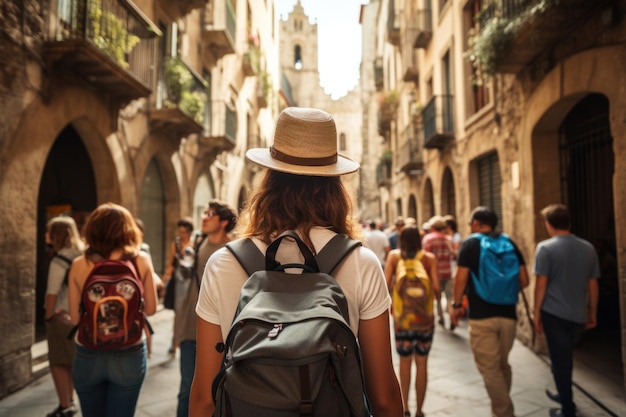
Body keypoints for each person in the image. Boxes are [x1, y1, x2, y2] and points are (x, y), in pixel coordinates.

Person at [189, 107, 403, 417]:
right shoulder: (362, 263)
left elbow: (204, 398)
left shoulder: (223, 264)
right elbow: (383, 398)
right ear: (335, 185)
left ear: (268, 180)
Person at [67, 203, 158, 417]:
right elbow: (152, 309)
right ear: (128, 230)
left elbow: (74, 318)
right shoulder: (140, 261)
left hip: (88, 352)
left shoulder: (79, 264)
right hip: (130, 351)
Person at [450, 206, 529, 417]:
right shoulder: (509, 242)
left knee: (489, 368)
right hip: (509, 316)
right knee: (502, 365)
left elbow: (460, 279)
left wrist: (456, 305)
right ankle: (499, 410)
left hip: (482, 317)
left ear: (476, 223)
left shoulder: (470, 244)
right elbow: (525, 280)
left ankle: (504, 412)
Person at [533, 204, 600, 417]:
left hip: (553, 314)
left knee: (561, 361)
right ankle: (564, 394)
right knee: (563, 358)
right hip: (578, 314)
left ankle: (567, 408)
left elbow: (541, 285)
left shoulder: (545, 248)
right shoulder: (588, 247)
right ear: (568, 223)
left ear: (548, 225)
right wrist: (592, 312)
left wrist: (536, 314)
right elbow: (593, 284)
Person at [175, 200, 236, 417]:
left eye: (210, 213)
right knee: (185, 390)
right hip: (190, 327)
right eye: (203, 213)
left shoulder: (232, 252)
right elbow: (187, 282)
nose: (204, 217)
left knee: (215, 392)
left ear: (224, 221)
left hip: (218, 334)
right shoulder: (198, 243)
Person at [385, 226, 440, 417]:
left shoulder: (394, 257)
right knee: (422, 363)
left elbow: (386, 285)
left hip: (403, 320)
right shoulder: (429, 259)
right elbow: (436, 287)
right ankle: (419, 410)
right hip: (425, 320)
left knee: (404, 362)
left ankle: (405, 408)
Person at [44, 216, 84, 417]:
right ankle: (71, 400)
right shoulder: (81, 255)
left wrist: (48, 316)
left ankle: (64, 404)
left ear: (57, 235)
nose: (46, 235)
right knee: (72, 361)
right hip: (78, 318)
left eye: (49, 231)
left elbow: (52, 292)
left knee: (58, 363)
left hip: (61, 317)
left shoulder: (59, 260)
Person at [163, 217, 196, 355]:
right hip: (179, 281)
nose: (181, 234)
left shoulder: (195, 243)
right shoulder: (175, 244)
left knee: (189, 312)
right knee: (178, 312)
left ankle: (185, 338)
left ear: (189, 232)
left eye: (184, 232)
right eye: (180, 231)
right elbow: (171, 264)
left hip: (191, 281)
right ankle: (175, 341)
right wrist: (166, 279)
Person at [422, 215, 456, 330]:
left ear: (433, 227)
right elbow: (453, 254)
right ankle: (452, 317)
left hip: (434, 273)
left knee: (437, 296)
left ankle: (441, 317)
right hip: (448, 271)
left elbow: (425, 257)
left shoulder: (428, 239)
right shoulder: (448, 238)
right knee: (449, 296)